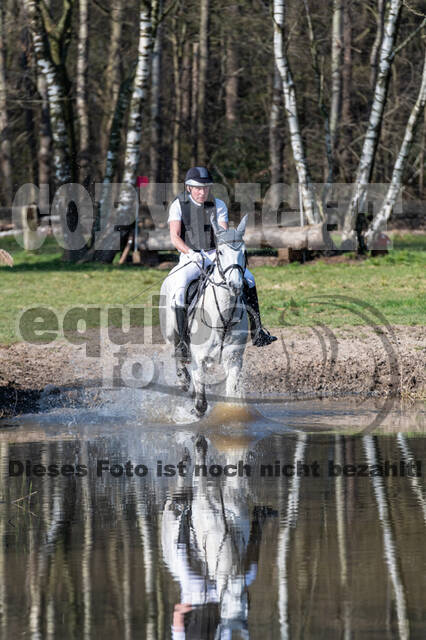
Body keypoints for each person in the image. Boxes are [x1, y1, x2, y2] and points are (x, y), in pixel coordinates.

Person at [166, 166, 277, 361]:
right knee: (179, 288)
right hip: (190, 257)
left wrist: (223, 252)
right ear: (189, 188)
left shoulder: (218, 205)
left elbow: (224, 236)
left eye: (206, 188)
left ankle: (258, 331)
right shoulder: (178, 205)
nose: (203, 192)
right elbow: (175, 237)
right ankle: (183, 342)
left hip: (215, 255)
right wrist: (191, 253)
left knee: (249, 279)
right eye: (198, 188)